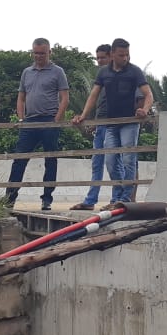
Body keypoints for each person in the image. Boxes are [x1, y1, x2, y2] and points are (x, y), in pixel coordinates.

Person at [72, 38, 152, 208]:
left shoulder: (134, 71)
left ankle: (125, 198)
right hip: (110, 123)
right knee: (109, 160)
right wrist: (83, 116)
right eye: (122, 55)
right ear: (113, 54)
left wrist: (144, 110)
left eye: (127, 55)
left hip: (129, 123)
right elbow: (93, 95)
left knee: (128, 159)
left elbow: (148, 94)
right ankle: (117, 196)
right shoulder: (104, 73)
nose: (125, 58)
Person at [5, 38, 69, 211]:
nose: (39, 56)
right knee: (19, 160)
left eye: (42, 53)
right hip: (29, 121)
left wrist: (57, 119)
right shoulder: (27, 72)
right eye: (36, 53)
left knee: (50, 160)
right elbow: (21, 97)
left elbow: (64, 97)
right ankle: (9, 199)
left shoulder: (58, 72)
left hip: (49, 120)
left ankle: (47, 198)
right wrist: (21, 118)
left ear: (50, 52)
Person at [69, 44, 112, 210]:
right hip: (100, 124)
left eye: (103, 57)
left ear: (111, 56)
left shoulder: (123, 75)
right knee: (97, 162)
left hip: (115, 125)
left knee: (114, 162)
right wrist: (86, 117)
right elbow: (95, 99)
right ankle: (90, 200)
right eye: (98, 58)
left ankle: (118, 199)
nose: (100, 61)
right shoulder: (101, 76)